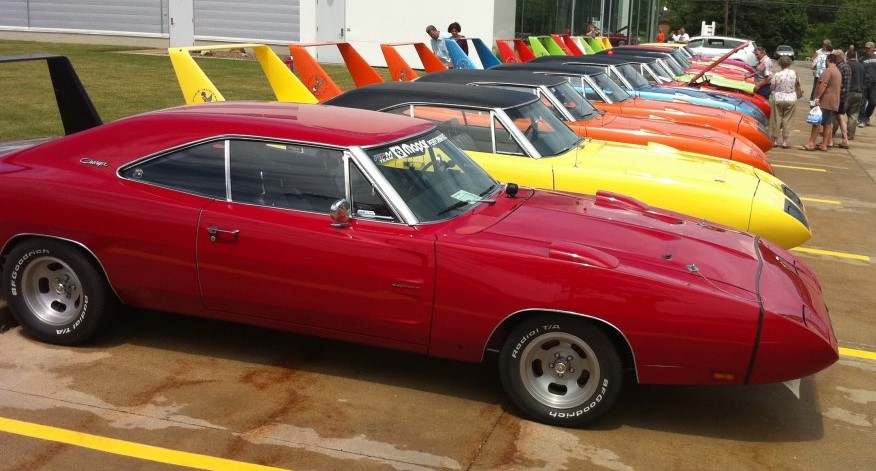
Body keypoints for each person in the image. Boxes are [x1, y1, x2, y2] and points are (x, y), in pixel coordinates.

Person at [803, 52, 842, 151]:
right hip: (833, 101)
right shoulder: (837, 71)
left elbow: (823, 85)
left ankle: (811, 143)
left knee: (816, 122)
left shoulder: (828, 71)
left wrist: (817, 98)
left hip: (825, 101)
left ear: (828, 60)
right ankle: (824, 144)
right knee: (827, 123)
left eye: (825, 61)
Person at [769, 55, 799, 148]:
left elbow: (772, 87)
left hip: (778, 98)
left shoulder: (777, 75)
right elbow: (797, 84)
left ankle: (775, 141)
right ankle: (785, 142)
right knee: (788, 120)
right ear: (789, 63)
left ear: (780, 64)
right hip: (791, 98)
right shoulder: (794, 73)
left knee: (776, 119)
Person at [832, 50, 851, 148]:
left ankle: (829, 140)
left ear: (839, 56)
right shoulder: (846, 66)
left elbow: (835, 82)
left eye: (834, 56)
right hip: (844, 95)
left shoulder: (840, 67)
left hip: (838, 95)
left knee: (831, 117)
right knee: (840, 116)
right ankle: (845, 139)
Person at [845, 49, 865, 139]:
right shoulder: (861, 66)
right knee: (853, 114)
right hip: (859, 92)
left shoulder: (847, 65)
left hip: (849, 92)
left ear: (847, 57)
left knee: (839, 113)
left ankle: (832, 132)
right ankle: (850, 135)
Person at [858, 41, 876, 127]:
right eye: (866, 48)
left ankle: (866, 116)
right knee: (862, 102)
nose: (867, 49)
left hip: (874, 84)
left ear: (873, 48)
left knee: (873, 102)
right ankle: (862, 119)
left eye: (869, 48)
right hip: (864, 83)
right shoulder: (861, 59)